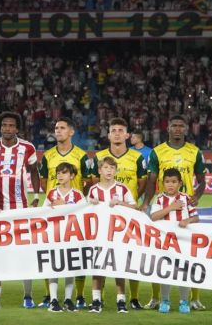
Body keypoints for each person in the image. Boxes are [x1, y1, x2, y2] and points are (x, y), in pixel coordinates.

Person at [144, 114, 206, 311]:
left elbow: (202, 179)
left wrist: (196, 195)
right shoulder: (157, 152)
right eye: (174, 125)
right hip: (165, 211)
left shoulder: (194, 151)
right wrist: (146, 201)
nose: (178, 129)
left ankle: (192, 299)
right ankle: (158, 298)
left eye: (181, 125)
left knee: (190, 258)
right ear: (168, 129)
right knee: (161, 258)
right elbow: (152, 179)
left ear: (186, 129)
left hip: (185, 210)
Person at [0, 111, 41, 309]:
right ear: (0, 127)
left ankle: (27, 295)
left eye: (11, 125)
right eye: (4, 125)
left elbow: (34, 172)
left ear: (17, 129)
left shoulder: (28, 148)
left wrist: (35, 196)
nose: (7, 128)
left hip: (20, 206)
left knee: (24, 252)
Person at [92, 118, 148, 310]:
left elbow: (143, 183)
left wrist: (125, 205)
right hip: (102, 224)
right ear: (108, 135)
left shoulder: (137, 158)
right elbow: (92, 184)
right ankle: (95, 298)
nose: (116, 133)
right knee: (99, 260)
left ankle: (131, 298)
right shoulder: (99, 156)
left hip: (126, 218)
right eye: (113, 130)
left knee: (127, 259)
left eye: (120, 130)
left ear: (127, 135)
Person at [38, 117, 93, 309]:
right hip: (54, 220)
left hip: (73, 220)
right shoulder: (48, 156)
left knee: (73, 260)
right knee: (52, 259)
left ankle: (76, 296)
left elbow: (88, 182)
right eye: (56, 128)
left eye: (62, 128)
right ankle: (50, 297)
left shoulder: (81, 155)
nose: (58, 131)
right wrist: (53, 204)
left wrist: (73, 206)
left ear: (71, 132)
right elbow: (44, 181)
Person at [87, 156, 137, 314]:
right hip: (99, 234)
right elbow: (84, 212)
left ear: (116, 171)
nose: (109, 171)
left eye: (112, 168)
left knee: (118, 267)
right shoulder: (93, 190)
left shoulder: (122, 189)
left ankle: (121, 301)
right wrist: (90, 204)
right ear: (100, 170)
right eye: (106, 168)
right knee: (98, 267)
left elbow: (135, 207)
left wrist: (120, 203)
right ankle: (96, 300)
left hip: (118, 235)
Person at [149, 168, 199, 314]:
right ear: (163, 183)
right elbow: (153, 217)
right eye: (167, 182)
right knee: (165, 270)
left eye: (174, 182)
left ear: (180, 183)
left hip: (183, 242)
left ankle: (184, 301)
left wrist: (188, 220)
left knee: (184, 270)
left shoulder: (186, 198)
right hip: (165, 242)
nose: (170, 185)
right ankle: (165, 300)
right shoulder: (159, 199)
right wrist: (171, 207)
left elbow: (196, 217)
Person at [44, 162, 86, 313]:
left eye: (64, 172)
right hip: (55, 235)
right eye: (58, 172)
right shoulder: (51, 194)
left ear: (72, 175)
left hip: (72, 235)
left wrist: (64, 205)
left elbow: (83, 214)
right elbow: (43, 214)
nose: (60, 175)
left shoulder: (78, 194)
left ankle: (68, 299)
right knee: (55, 266)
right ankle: (53, 299)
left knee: (70, 267)